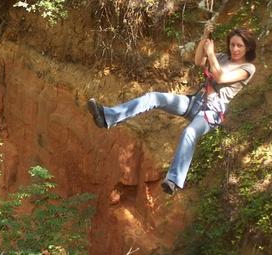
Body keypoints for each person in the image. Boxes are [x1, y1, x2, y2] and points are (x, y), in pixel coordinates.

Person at [87, 24, 256, 195]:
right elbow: (198, 61)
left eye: (239, 45)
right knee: (155, 97)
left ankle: (174, 180)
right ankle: (107, 117)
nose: (235, 49)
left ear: (247, 47)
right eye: (232, 44)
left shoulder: (248, 68)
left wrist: (211, 53)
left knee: (190, 132)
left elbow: (220, 77)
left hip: (210, 113)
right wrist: (205, 37)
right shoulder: (221, 57)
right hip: (195, 101)